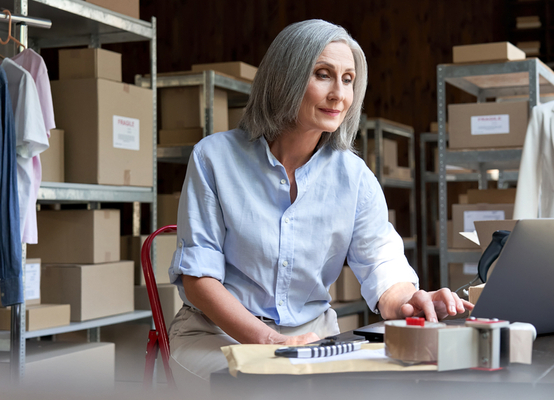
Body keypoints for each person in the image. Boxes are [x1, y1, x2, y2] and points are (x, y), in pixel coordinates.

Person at [168, 19, 473, 382]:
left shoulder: (355, 177)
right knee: (263, 389)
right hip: (216, 335)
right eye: (323, 74)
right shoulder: (214, 158)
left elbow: (381, 262)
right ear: (285, 77)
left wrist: (409, 301)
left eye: (348, 79)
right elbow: (198, 281)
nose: (339, 95)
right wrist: (273, 343)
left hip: (315, 338)